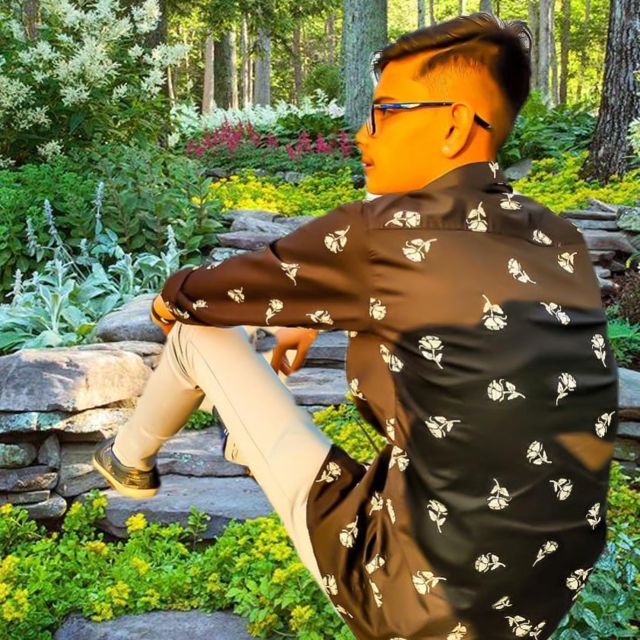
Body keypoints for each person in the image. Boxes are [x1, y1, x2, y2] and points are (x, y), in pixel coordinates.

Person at [92, 11, 619, 640]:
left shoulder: (383, 235)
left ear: (454, 124)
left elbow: (207, 294)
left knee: (197, 334)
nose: (362, 133)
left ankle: (129, 459)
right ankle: (234, 440)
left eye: (385, 112)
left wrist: (167, 303)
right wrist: (314, 314)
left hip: (416, 596)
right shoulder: (557, 239)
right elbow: (442, 313)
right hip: (546, 585)